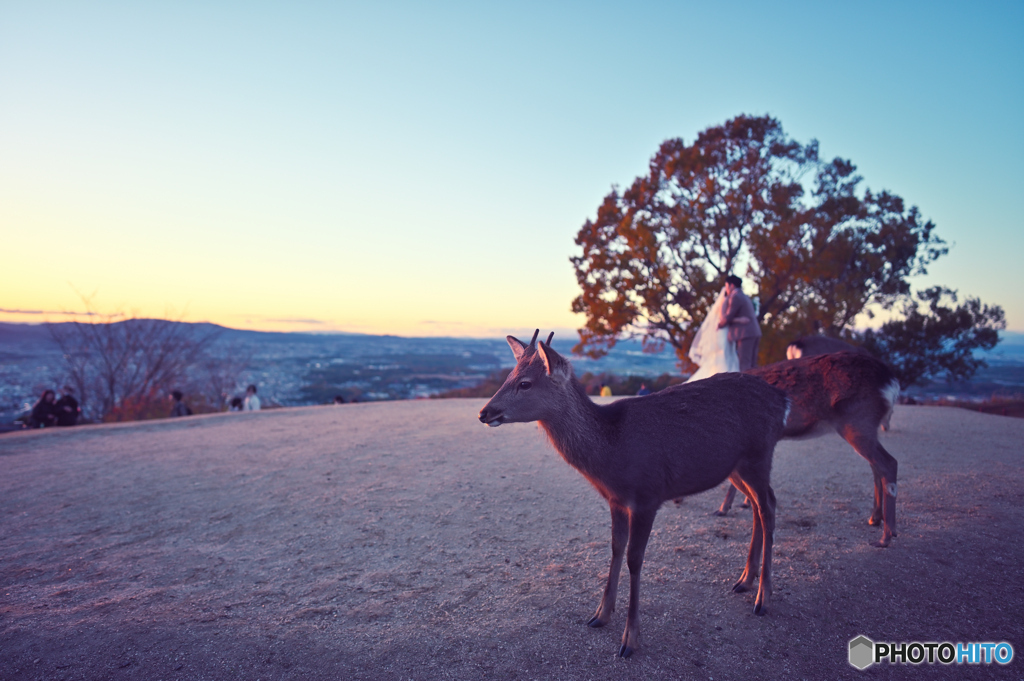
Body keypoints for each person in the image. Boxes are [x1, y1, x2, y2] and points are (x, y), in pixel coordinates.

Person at [686, 285, 741, 382]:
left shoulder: (728, 300)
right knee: (723, 352)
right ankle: (723, 374)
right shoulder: (725, 301)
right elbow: (722, 317)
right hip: (723, 329)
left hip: (724, 329)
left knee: (727, 352)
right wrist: (739, 320)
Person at [718, 274, 761, 371]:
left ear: (732, 285)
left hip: (745, 333)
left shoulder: (735, 297)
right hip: (754, 332)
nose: (726, 289)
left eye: (727, 286)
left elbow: (728, 316)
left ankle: (747, 386)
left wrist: (720, 324)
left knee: (745, 363)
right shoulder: (744, 296)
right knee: (752, 364)